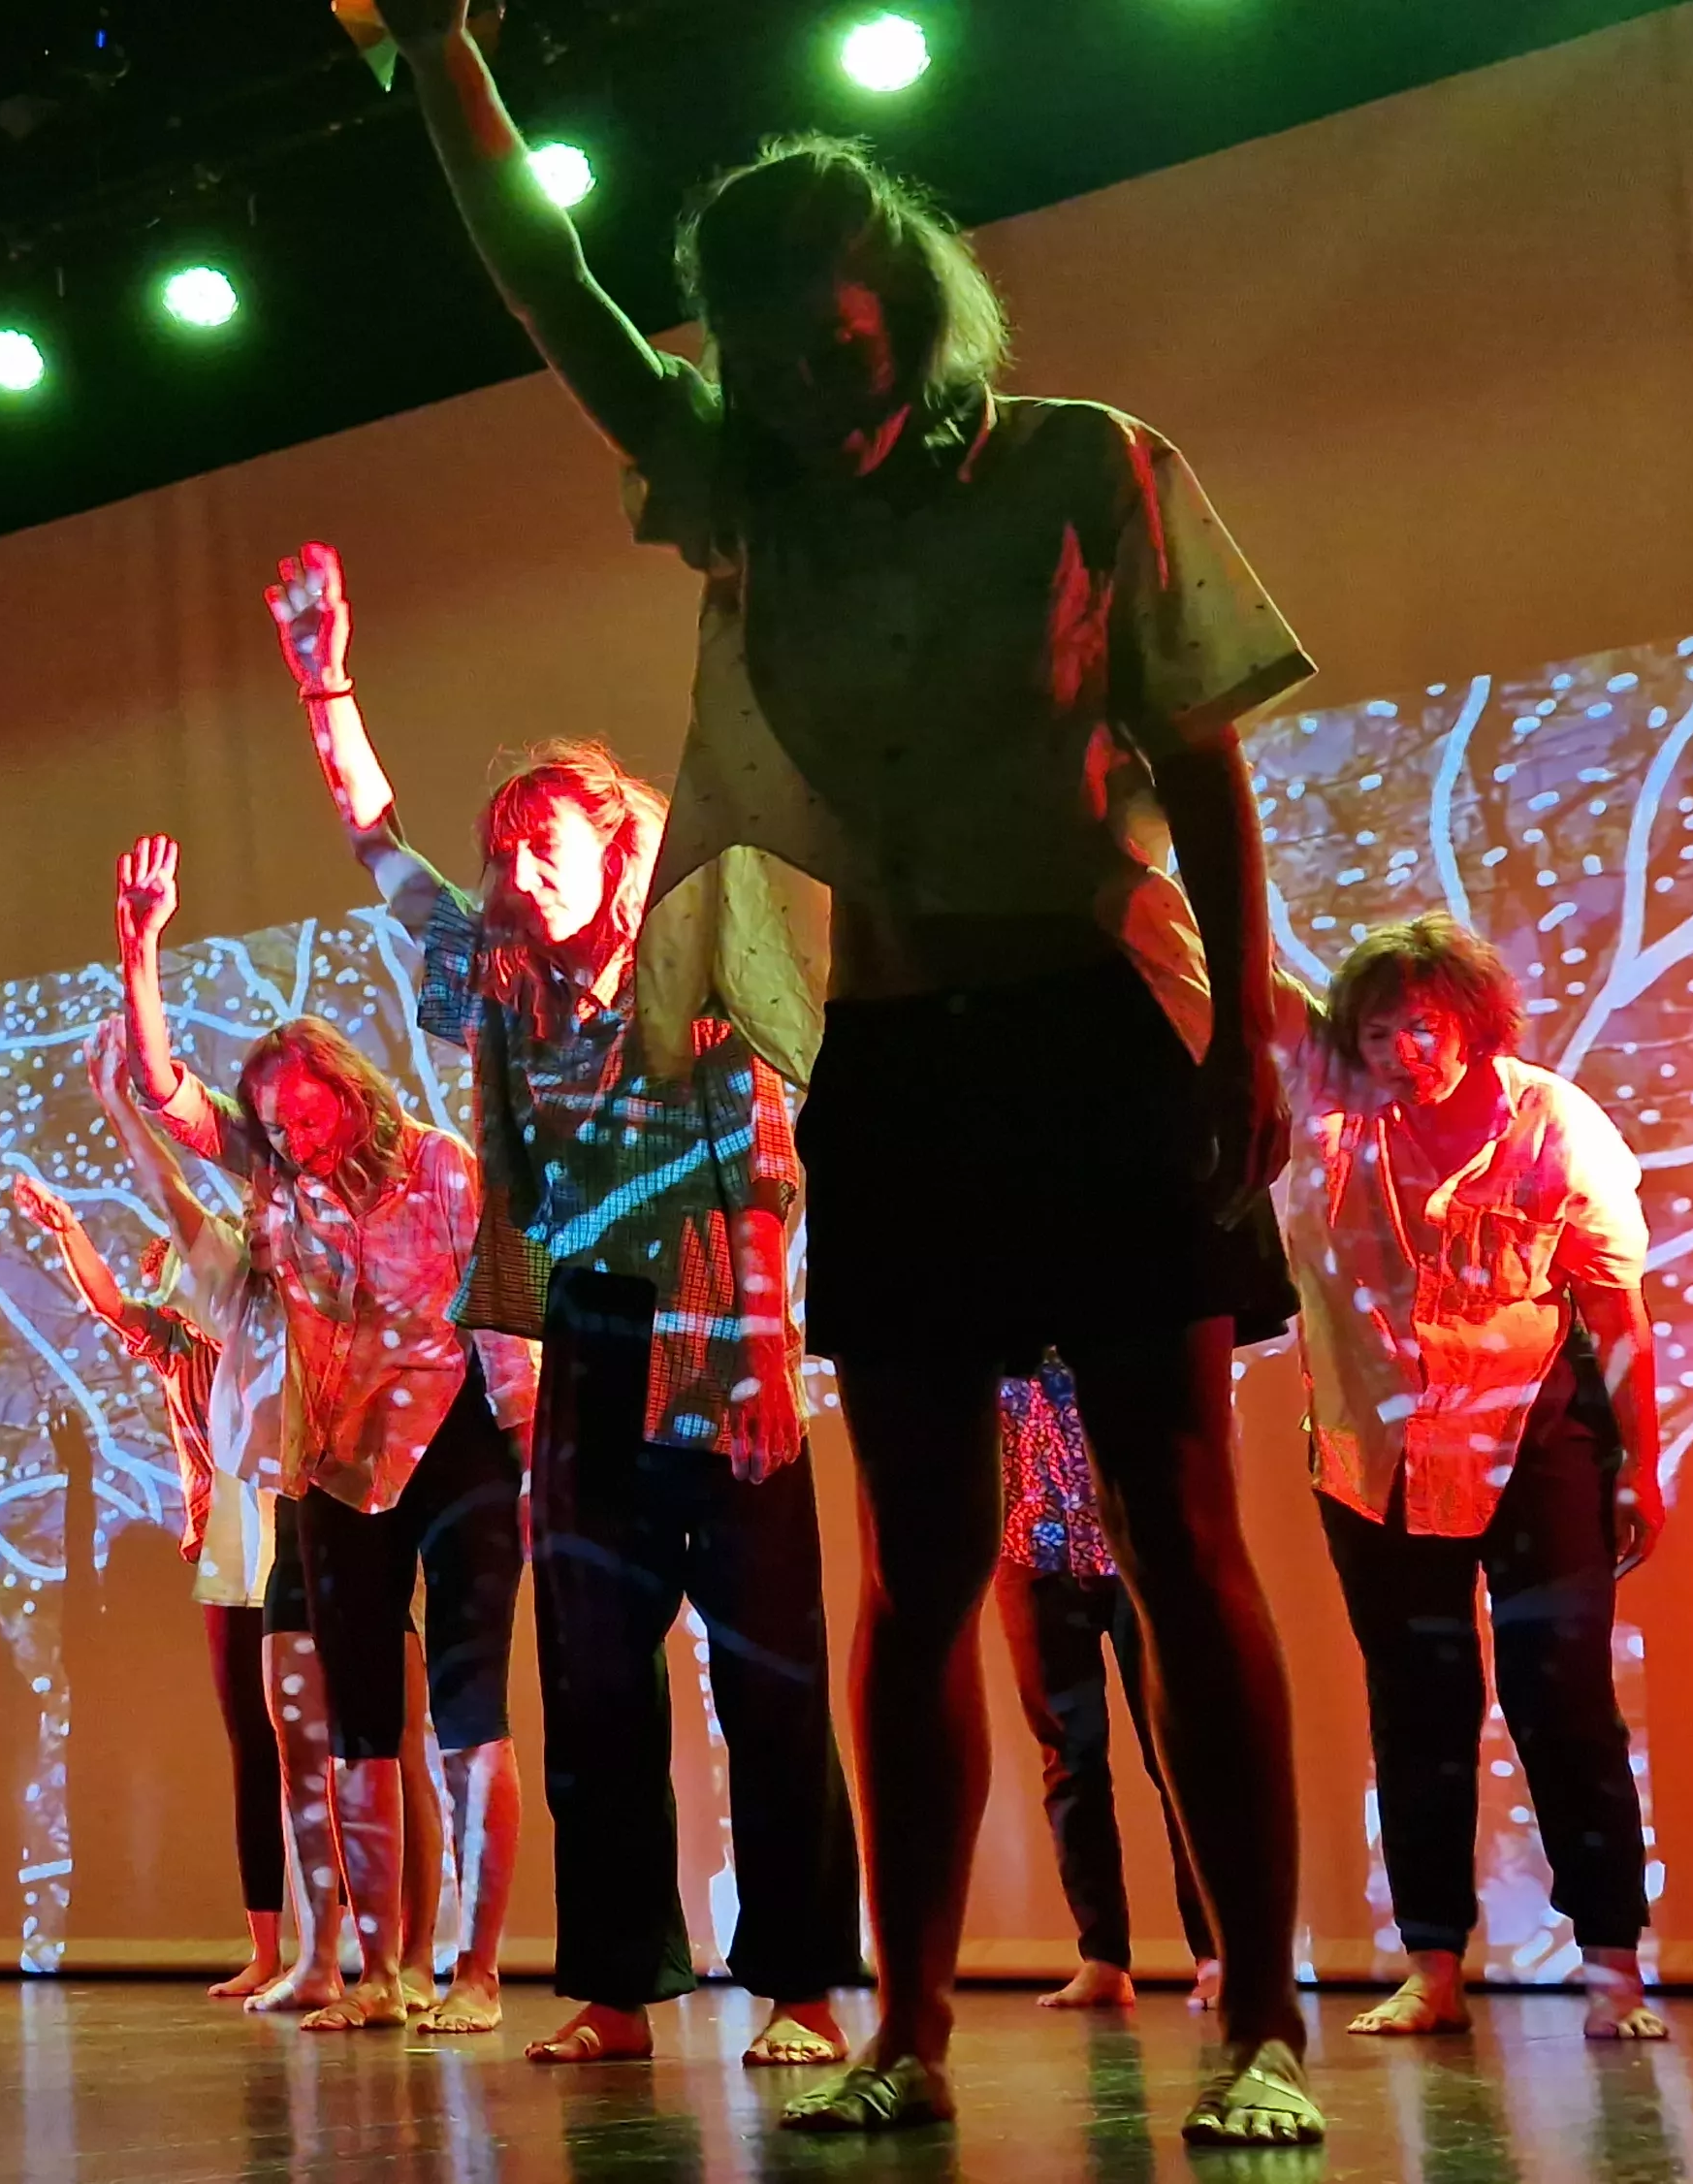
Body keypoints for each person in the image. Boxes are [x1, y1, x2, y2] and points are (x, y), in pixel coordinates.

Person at [366, 10, 1326, 2138]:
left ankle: (1263, 2014)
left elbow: (1198, 753)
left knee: (1177, 1524)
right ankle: (908, 2026)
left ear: (907, 294)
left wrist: (1245, 1032)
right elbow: (551, 286)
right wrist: (440, 52)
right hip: (892, 1050)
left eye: (837, 343)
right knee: (917, 1556)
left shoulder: (1085, 463)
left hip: (1099, 1028)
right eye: (768, 359)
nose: (809, 388)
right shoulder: (743, 489)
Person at [267, 553, 857, 2073]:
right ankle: (615, 1990)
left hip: (721, 1321)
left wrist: (760, 1357)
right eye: (505, 849)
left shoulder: (699, 950)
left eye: (546, 840)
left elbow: (762, 1167)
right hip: (593, 1336)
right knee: (594, 1672)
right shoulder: (504, 984)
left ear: (618, 841)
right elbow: (381, 855)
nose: (518, 867)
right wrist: (326, 683)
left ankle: (800, 1988)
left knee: (768, 1668)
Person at [116, 836, 530, 2038]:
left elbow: (502, 1313)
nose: (294, 1135)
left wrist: (529, 1451)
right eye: (276, 1124)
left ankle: (476, 1970)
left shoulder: (440, 1167)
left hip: (457, 1445)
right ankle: (381, 1972)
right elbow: (168, 1094)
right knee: (356, 1721)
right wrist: (140, 954)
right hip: (340, 1462)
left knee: (468, 1708)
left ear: (352, 1089)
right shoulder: (281, 1191)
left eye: (307, 1111)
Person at [1273, 916, 1669, 2042]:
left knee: (1563, 1698)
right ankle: (1431, 1963)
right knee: (1417, 1701)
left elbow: (1614, 1307)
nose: (1404, 1052)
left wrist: (1640, 1464)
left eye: (1424, 1027)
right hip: (1375, 1454)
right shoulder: (1329, 1112)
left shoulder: (1554, 1125)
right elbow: (1236, 983)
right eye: (1379, 1031)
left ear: (1473, 1021)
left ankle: (1611, 1965)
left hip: (1534, 1436)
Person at [9, 1019, 309, 2002]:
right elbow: (110, 1307)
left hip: (296, 1517)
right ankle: (269, 1945)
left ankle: (343, 1944)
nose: (164, 1270)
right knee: (250, 1745)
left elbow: (183, 1214)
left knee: (311, 1739)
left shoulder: (268, 1315)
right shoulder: (184, 1349)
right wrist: (67, 1231)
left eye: (176, 1262)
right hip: (229, 1542)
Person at [995, 1357, 1217, 2012]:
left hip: (1135, 1538)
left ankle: (1215, 1953)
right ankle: (1103, 1958)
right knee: (1070, 1758)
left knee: (1176, 1753)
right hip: (1031, 1542)